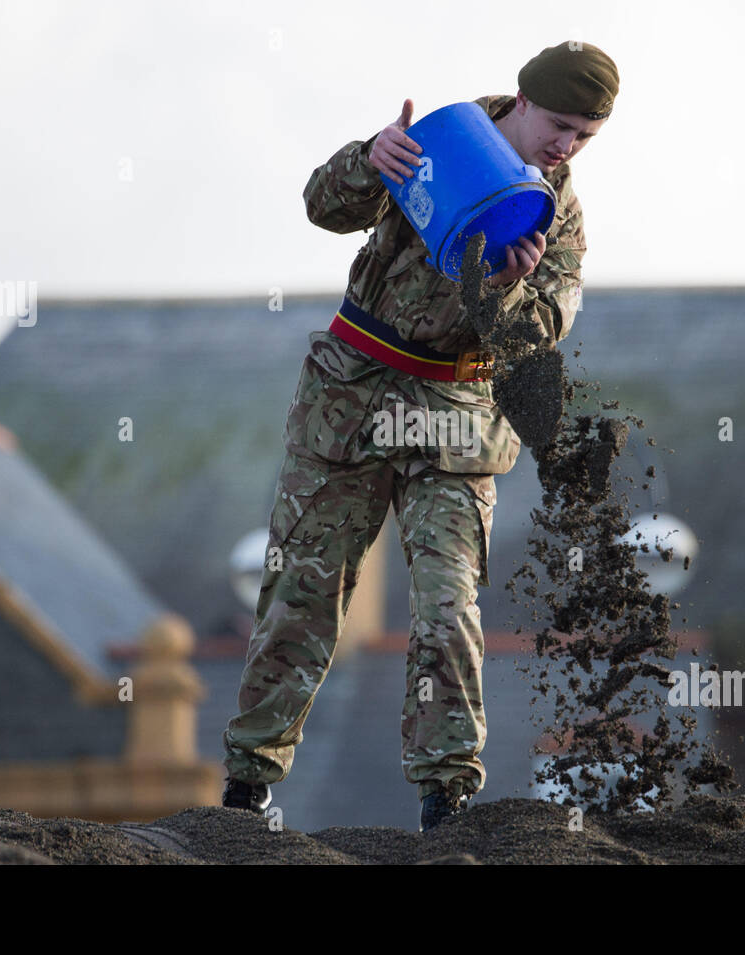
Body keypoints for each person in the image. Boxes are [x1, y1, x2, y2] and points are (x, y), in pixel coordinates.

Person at [221, 41, 618, 832]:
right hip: (353, 393)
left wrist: (502, 289)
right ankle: (247, 786)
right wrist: (371, 159)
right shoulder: (439, 140)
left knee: (448, 603)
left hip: (454, 415)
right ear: (520, 101)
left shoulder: (557, 213)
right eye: (561, 125)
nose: (567, 146)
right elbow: (323, 206)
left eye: (586, 135)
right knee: (306, 585)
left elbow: (540, 333)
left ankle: (447, 795)